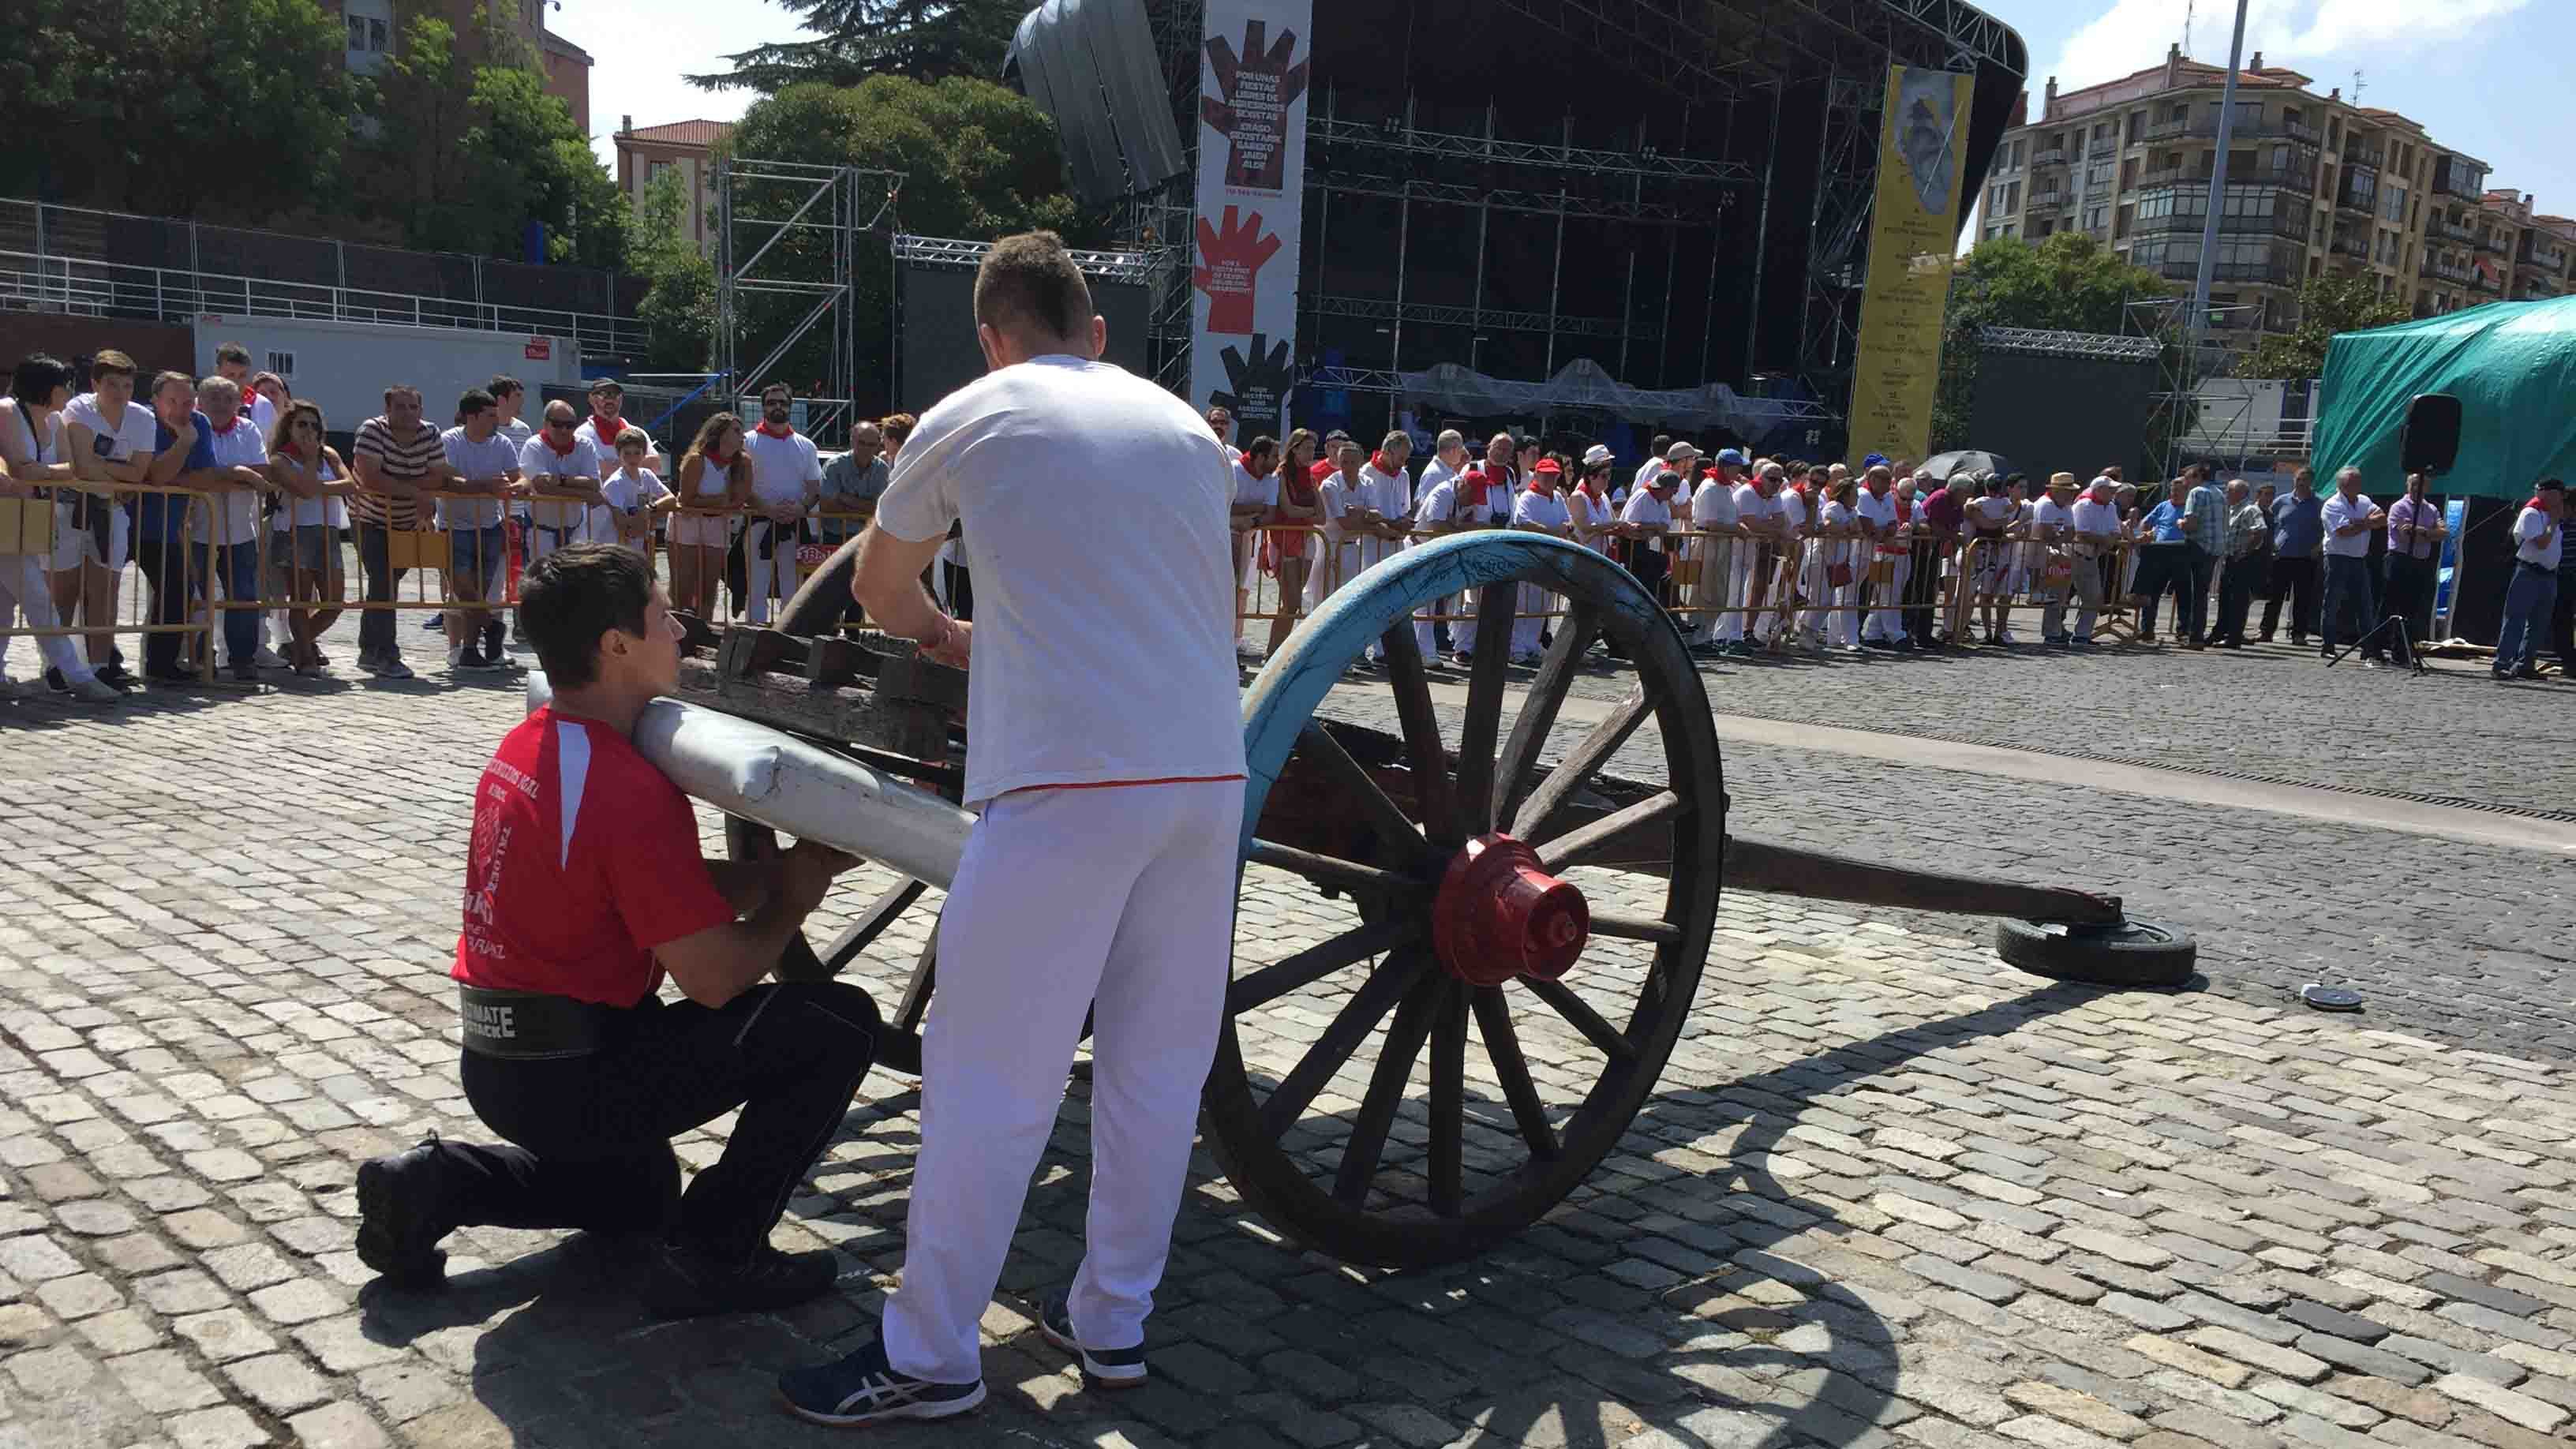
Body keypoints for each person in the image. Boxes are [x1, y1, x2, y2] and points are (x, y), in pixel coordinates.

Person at [780, 231, 1245, 1426]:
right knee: (1155, 1071)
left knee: (989, 1078)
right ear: (1096, 330)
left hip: (1064, 781)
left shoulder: (974, 409)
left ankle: (932, 1355)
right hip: (1204, 776)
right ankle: (1116, 1327)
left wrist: (946, 637)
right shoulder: (1189, 429)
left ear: (992, 337)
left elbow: (880, 592)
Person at [353, 542, 877, 1315]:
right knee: (837, 1024)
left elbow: (642, 889)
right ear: (617, 645)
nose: (681, 634)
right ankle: (716, 1252)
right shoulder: (628, 787)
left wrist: (774, 876)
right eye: (664, 618)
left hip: (502, 1060)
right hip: (580, 1071)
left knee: (640, 1191)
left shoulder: (529, 745)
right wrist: (792, 900)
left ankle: (441, 1182)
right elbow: (715, 978)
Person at [0, 354, 120, 702]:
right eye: (64, 385)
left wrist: (40, 472)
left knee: (5, 602)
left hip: (29, 518)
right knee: (38, 599)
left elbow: (66, 467)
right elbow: (23, 469)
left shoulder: (55, 421)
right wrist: (42, 472)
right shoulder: (8, 411)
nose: (69, 391)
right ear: (46, 388)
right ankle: (79, 676)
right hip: (10, 519)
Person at [56, 351, 158, 684]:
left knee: (106, 590)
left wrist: (107, 473)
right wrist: (121, 474)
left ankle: (100, 667)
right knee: (64, 590)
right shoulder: (79, 408)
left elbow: (140, 472)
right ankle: (56, 665)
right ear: (95, 384)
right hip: (70, 508)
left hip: (112, 510)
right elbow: (81, 467)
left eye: (127, 385)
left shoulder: (143, 417)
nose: (120, 392)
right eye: (111, 384)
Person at [350, 386, 453, 680]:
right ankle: (387, 655)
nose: (408, 413)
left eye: (413, 407)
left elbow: (439, 473)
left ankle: (368, 648)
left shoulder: (430, 433)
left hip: (407, 520)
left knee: (386, 584)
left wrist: (397, 483)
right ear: (388, 409)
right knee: (383, 581)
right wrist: (416, 490)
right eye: (401, 407)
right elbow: (370, 477)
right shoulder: (371, 431)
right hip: (369, 517)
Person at [189, 376, 278, 683]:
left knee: (243, 596)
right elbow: (194, 477)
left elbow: (263, 473)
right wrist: (240, 474)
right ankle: (200, 657)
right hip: (196, 528)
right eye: (213, 397)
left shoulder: (249, 429)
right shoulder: (193, 428)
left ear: (239, 402)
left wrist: (218, 478)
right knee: (197, 596)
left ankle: (242, 658)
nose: (221, 404)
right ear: (199, 399)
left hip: (241, 528)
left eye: (228, 398)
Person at [264, 398, 354, 676]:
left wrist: (318, 480)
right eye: (302, 424)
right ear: (289, 426)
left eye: (315, 425)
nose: (309, 430)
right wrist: (323, 485)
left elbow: (350, 485)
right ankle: (304, 657)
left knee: (334, 602)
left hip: (327, 530)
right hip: (295, 530)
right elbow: (303, 489)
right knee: (301, 599)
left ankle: (297, 646)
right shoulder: (281, 458)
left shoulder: (328, 454)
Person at [438, 388, 523, 674]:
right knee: (463, 587)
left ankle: (472, 650)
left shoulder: (502, 443)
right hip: (453, 525)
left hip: (489, 525)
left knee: (481, 589)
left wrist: (519, 485)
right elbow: (449, 481)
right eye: (489, 416)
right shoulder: (449, 440)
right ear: (471, 416)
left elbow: (517, 476)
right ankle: (492, 626)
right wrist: (486, 486)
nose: (495, 421)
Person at [1406, 434, 1493, 661]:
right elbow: (1437, 527)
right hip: (1419, 549)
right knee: (1423, 606)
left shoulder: (1465, 494)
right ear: (1462, 485)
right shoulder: (1442, 492)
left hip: (1437, 553)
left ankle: (1424, 650)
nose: (1473, 501)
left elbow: (1472, 522)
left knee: (1432, 605)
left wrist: (1472, 527)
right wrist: (1463, 532)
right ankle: (1423, 653)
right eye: (1471, 496)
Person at [742, 384, 821, 625]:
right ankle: (754, 634)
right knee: (757, 585)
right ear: (763, 406)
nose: (778, 407)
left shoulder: (806, 446)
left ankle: (791, 635)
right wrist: (767, 509)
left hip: (795, 526)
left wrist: (801, 509)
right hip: (759, 523)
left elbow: (814, 488)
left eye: (783, 403)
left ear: (790, 406)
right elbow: (741, 485)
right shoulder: (747, 442)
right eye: (772, 402)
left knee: (794, 587)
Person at [669, 413, 752, 619]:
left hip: (717, 526)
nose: (742, 436)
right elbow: (688, 500)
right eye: (736, 431)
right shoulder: (696, 460)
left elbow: (737, 501)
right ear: (719, 433)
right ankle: (678, 634)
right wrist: (720, 502)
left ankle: (703, 631)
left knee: (709, 586)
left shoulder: (744, 463)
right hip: (687, 524)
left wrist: (708, 502)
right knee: (683, 586)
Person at [521, 399, 608, 567]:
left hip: (575, 528)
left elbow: (594, 484)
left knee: (576, 579)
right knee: (542, 582)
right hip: (541, 530)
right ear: (546, 424)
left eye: (570, 425)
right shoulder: (534, 446)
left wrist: (560, 480)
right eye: (557, 424)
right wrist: (584, 494)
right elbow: (542, 487)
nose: (564, 430)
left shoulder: (585, 445)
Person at [1261, 429, 1322, 659]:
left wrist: (1303, 514)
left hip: (1305, 539)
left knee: (1292, 606)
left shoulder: (1310, 476)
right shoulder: (1282, 475)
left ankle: (1279, 652)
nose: (1310, 453)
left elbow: (1322, 516)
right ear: (1294, 448)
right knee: (1291, 602)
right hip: (1283, 541)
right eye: (1306, 449)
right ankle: (1273, 652)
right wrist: (1309, 513)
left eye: (1312, 449)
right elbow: (1287, 508)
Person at [2495, 480, 2563, 680]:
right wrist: (2552, 522)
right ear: (2547, 494)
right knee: (2515, 618)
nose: (2560, 499)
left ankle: (2525, 664)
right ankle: (2502, 663)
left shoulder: (2553, 516)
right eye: (2557, 494)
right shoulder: (2532, 513)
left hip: (2549, 575)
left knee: (2538, 623)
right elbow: (2541, 543)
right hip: (2529, 571)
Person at [1507, 457, 1573, 661]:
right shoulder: (1528, 497)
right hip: (1530, 556)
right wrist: (1553, 532)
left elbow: (1568, 519)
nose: (1550, 479)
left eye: (1554, 476)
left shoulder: (1558, 497)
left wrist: (1568, 527)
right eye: (1546, 475)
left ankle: (1532, 645)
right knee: (1523, 605)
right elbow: (1523, 523)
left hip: (1551, 558)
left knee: (1542, 606)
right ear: (1537, 474)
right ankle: (1516, 648)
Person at [2318, 466, 2385, 663]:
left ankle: (2368, 648)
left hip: (2359, 558)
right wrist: (2366, 523)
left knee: (2365, 605)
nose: (2357, 485)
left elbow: (2382, 519)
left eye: (2358, 481)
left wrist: (2358, 523)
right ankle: (2328, 646)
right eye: (2352, 482)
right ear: (2341, 484)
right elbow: (2343, 531)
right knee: (2332, 603)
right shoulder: (2332, 504)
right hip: (2337, 558)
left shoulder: (2364, 500)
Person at [1685, 446, 1743, 651]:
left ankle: (1707, 636)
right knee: (1704, 591)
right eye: (1737, 468)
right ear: (1726, 467)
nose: (1739, 472)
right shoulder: (1710, 487)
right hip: (1708, 541)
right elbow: (1709, 522)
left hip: (1722, 542)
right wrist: (1736, 529)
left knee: (1719, 592)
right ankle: (1696, 638)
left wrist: (1736, 527)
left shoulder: (1727, 487)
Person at [2262, 466, 2324, 644]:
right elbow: (2268, 523)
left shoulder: (2319, 503)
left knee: (2303, 599)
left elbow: (2327, 530)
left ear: (2312, 482)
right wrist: (2271, 545)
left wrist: (2318, 548)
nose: (2302, 483)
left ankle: (2299, 634)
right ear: (2294, 480)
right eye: (2299, 479)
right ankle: (2266, 632)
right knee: (2275, 597)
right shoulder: (2281, 501)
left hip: (2306, 558)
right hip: (2281, 556)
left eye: (2305, 479)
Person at [2384, 471, 2445, 653]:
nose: (2417, 488)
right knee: (2389, 606)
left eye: (2421, 485)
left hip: (2420, 563)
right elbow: (2405, 535)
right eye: (2414, 484)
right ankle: (2376, 648)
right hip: (2399, 560)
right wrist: (2429, 533)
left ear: (2427, 487)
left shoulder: (2432, 509)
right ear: (2408, 486)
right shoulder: (2399, 507)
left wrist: (2422, 532)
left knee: (2412, 609)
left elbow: (2443, 533)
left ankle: (2402, 650)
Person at [1229, 435, 1278, 646]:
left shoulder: (1272, 479)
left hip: (1250, 539)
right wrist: (1256, 508)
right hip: (1223, 537)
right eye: (1274, 456)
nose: (1278, 461)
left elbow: (1271, 514)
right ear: (1260, 457)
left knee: (1240, 592)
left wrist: (1250, 520)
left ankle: (1233, 642)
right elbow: (1225, 505)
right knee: (1224, 590)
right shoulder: (1232, 470)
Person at [2207, 479, 2267, 649]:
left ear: (2241, 493)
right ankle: (2220, 632)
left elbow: (2260, 530)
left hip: (2242, 561)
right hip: (2230, 559)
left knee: (2238, 601)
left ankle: (2234, 637)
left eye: (2230, 491)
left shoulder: (2250, 509)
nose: (2226, 493)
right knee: (2225, 598)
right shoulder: (2232, 509)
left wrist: (2245, 551)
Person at [600, 428, 676, 552]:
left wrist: (649, 509)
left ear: (644, 454)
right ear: (619, 455)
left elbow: (671, 499)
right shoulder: (615, 483)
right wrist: (642, 521)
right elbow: (620, 523)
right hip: (615, 548)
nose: (632, 458)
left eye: (637, 453)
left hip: (638, 547)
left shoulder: (647, 475)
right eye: (627, 453)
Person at [817, 419, 888, 548]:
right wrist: (864, 513)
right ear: (852, 441)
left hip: (868, 538)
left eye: (871, 444)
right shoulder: (834, 466)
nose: (866, 448)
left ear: (878, 445)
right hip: (835, 537)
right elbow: (827, 506)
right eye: (861, 443)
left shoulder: (882, 469)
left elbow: (880, 509)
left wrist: (844, 498)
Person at [2177, 464, 2227, 649]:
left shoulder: (2197, 492)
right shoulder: (2219, 493)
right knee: (2201, 593)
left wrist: (2180, 523)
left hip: (2198, 546)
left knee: (2191, 593)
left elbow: (2191, 524)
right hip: (2214, 549)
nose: (2185, 482)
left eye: (2187, 477)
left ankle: (2193, 635)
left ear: (2197, 476)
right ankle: (2197, 635)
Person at [2031, 473, 2080, 646]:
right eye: (2067, 491)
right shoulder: (2045, 505)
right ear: (2056, 490)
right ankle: (2038, 591)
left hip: (2051, 548)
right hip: (2032, 550)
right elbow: (2044, 533)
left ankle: (2055, 628)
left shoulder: (2066, 507)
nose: (2070, 495)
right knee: (2062, 562)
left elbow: (2071, 532)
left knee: (2064, 576)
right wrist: (2058, 538)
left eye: (2071, 491)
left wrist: (2057, 539)